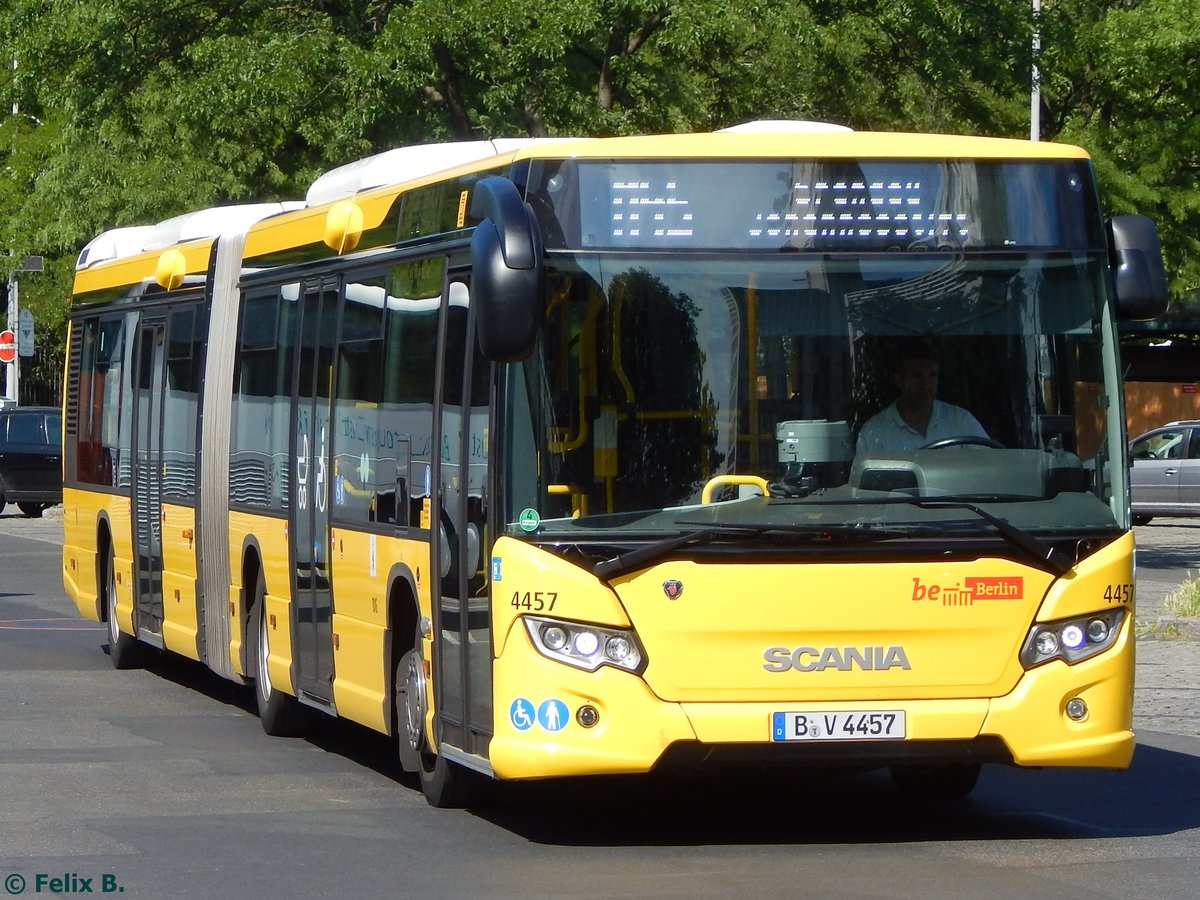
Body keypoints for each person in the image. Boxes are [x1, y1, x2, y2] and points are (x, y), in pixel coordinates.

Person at [855, 344, 989, 454]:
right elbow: (868, 485)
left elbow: (989, 466)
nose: (925, 385)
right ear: (899, 380)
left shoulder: (961, 421)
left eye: (932, 375)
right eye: (917, 375)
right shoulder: (874, 433)